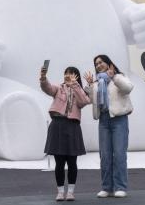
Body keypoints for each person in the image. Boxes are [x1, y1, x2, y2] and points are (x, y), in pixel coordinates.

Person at [84, 55, 133, 199]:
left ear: (108, 63)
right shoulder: (97, 83)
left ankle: (120, 186)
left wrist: (114, 78)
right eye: (96, 64)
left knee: (119, 154)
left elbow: (128, 88)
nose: (98, 65)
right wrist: (90, 87)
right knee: (104, 155)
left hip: (119, 120)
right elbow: (93, 102)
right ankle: (106, 187)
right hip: (104, 120)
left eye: (101, 62)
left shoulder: (119, 77)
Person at [40, 66, 91, 202]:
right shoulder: (59, 88)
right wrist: (43, 78)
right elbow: (48, 88)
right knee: (59, 162)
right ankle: (60, 191)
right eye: (66, 73)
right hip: (57, 125)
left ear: (77, 77)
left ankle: (71, 192)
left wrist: (75, 85)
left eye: (71, 74)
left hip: (72, 126)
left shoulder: (79, 90)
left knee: (72, 161)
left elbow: (85, 101)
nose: (68, 75)